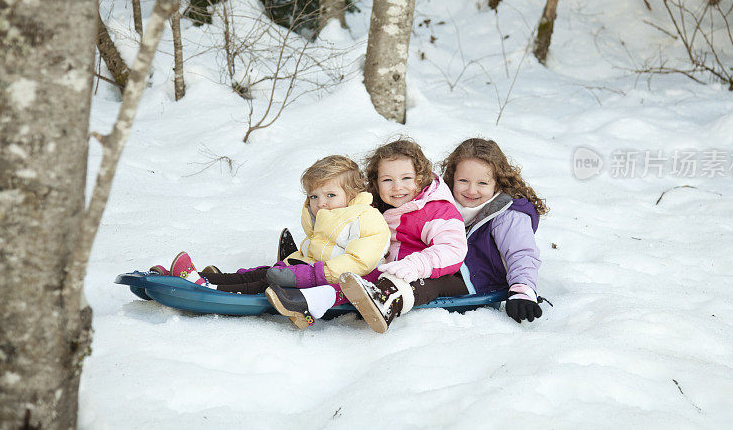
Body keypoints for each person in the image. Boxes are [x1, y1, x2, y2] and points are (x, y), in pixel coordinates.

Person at [152, 155, 390, 325]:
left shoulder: (367, 218)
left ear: (353, 194)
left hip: (329, 281)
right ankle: (196, 277)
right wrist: (288, 265)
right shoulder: (324, 218)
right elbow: (311, 252)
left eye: (330, 195)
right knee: (257, 274)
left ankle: (208, 287)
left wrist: (311, 275)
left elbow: (360, 262)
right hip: (307, 269)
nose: (321, 203)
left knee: (263, 283)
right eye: (314, 196)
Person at [341, 138, 549, 332]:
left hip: (479, 280)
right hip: (444, 265)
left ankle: (387, 299)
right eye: (463, 181)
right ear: (451, 178)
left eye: (482, 183)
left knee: (429, 282)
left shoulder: (508, 214)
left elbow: (521, 253)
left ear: (499, 183)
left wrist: (522, 291)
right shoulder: (443, 203)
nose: (471, 190)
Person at [303, 138, 470, 333]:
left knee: (407, 282)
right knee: (358, 269)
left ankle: (383, 303)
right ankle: (317, 291)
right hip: (383, 270)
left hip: (436, 276)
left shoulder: (436, 210)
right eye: (387, 180)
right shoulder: (374, 207)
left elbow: (453, 249)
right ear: (376, 182)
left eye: (406, 178)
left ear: (421, 177)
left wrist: (415, 265)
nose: (397, 187)